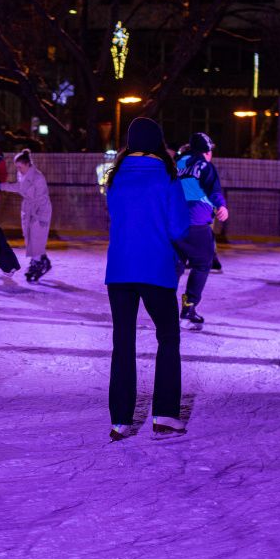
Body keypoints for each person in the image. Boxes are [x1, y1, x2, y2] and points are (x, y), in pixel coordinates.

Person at [104, 117, 190, 440]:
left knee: (122, 342)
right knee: (168, 337)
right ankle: (165, 413)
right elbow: (179, 228)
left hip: (120, 270)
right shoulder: (168, 178)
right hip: (155, 269)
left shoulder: (115, 178)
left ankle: (120, 420)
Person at [174, 132, 229, 329]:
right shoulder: (205, 165)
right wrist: (221, 206)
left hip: (171, 222)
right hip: (196, 223)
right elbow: (213, 190)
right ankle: (188, 308)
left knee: (176, 266)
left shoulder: (175, 162)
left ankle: (163, 307)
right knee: (203, 263)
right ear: (206, 150)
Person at [0, 149, 54, 282]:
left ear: (27, 164)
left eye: (20, 167)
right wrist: (2, 186)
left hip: (39, 210)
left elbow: (39, 198)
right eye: (17, 167)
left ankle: (38, 263)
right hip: (28, 210)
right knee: (30, 238)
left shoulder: (38, 177)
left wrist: (40, 217)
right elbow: (19, 187)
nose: (18, 170)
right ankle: (41, 260)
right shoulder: (23, 175)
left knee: (36, 238)